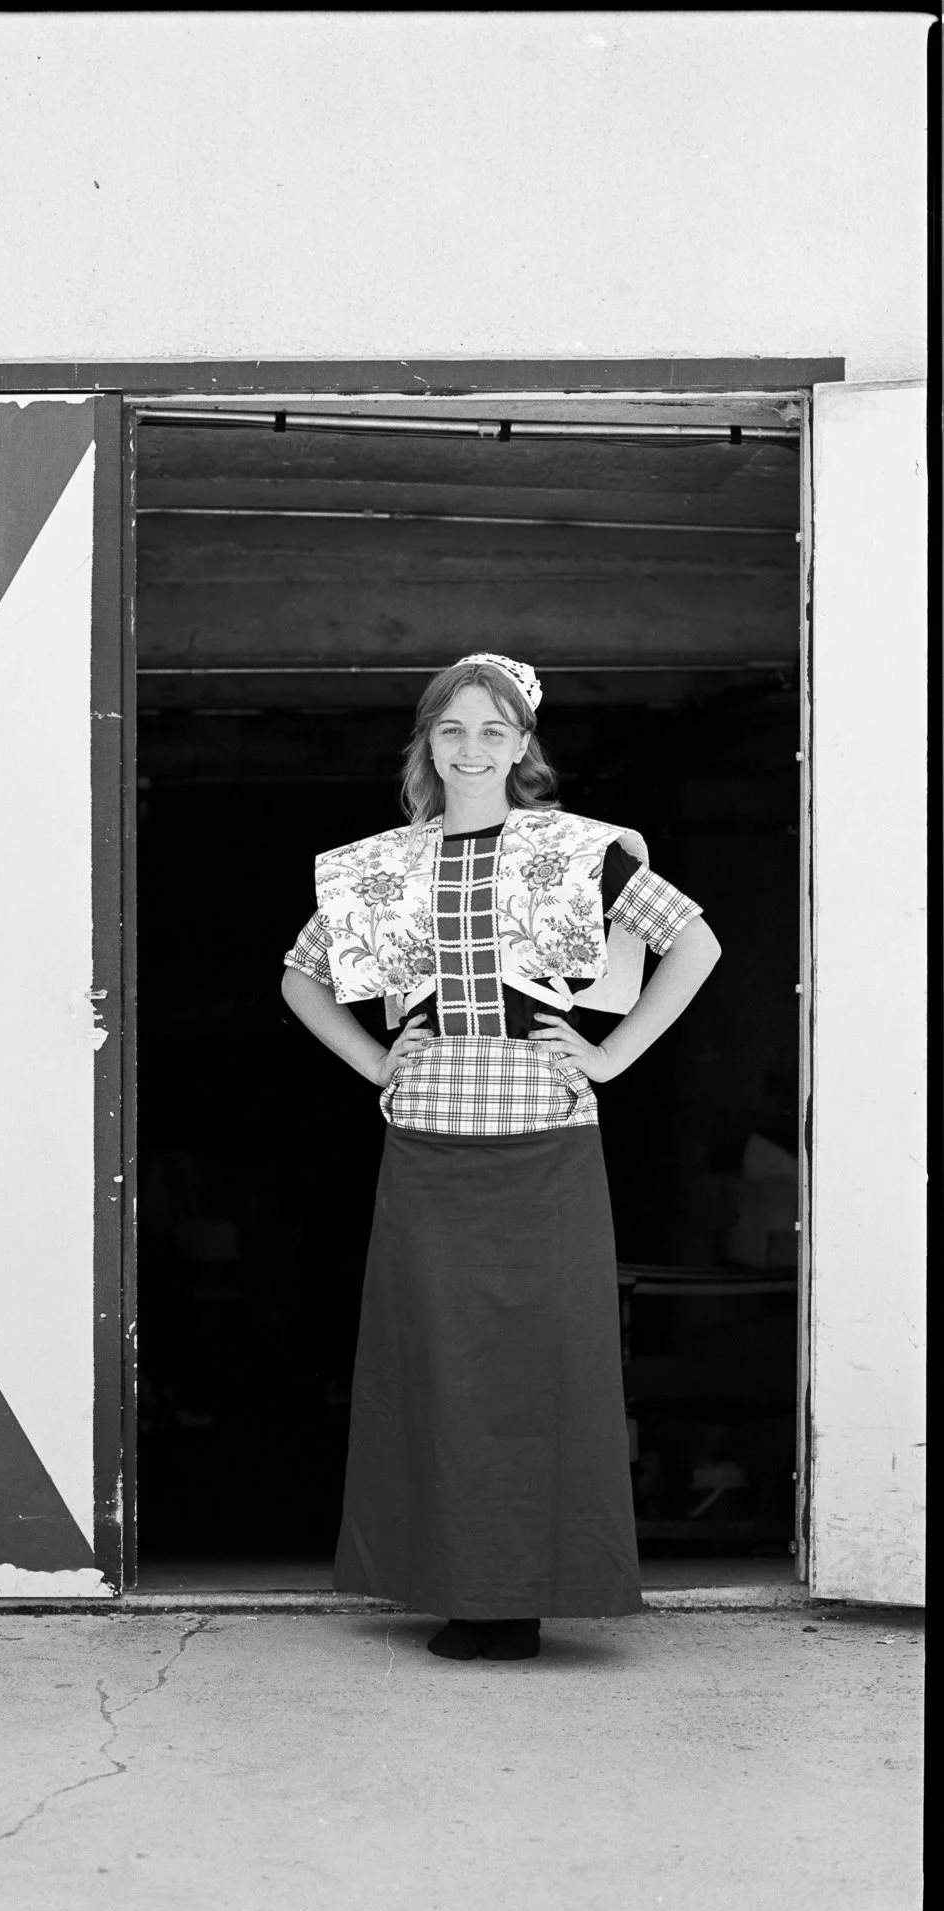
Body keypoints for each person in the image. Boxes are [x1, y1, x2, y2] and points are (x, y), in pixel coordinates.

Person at [280, 653, 721, 1661]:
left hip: (547, 1146)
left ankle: (530, 1594)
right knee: (438, 1369)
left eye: (491, 730)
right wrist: (377, 1058)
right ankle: (458, 1593)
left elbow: (693, 942)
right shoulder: (383, 863)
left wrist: (609, 1053)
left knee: (543, 1368)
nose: (470, 748)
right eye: (451, 730)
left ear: (522, 745)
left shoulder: (574, 850)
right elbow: (301, 977)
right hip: (428, 1143)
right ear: (425, 745)